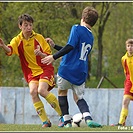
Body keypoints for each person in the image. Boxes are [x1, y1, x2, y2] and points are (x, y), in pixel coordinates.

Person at [41, 6, 102, 128]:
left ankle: (67, 121)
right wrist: (55, 46)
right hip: (81, 71)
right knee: (78, 97)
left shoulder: (76, 28)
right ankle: (88, 118)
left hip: (68, 69)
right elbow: (73, 49)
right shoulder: (91, 36)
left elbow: (70, 46)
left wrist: (54, 56)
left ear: (83, 18)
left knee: (62, 92)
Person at [0, 13, 63, 128]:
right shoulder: (17, 40)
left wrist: (40, 54)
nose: (29, 27)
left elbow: (49, 56)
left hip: (45, 69)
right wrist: (3, 45)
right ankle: (46, 122)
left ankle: (63, 116)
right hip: (31, 73)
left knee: (41, 90)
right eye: (25, 25)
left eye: (30, 25)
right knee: (33, 92)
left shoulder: (39, 38)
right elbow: (9, 50)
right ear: (20, 26)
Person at [113, 39, 133, 126]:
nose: (130, 48)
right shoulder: (123, 59)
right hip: (129, 82)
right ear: (126, 47)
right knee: (125, 101)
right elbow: (126, 71)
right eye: (128, 46)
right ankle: (121, 123)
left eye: (132, 46)